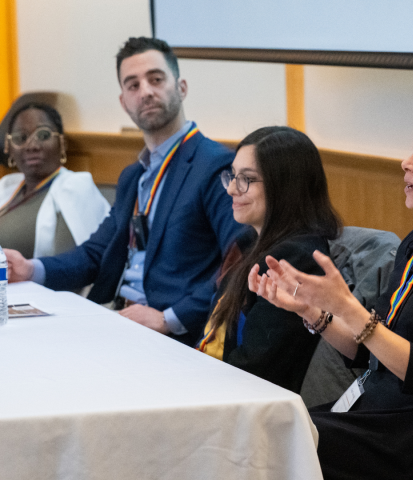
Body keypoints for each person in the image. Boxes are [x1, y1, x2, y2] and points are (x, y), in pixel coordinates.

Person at [249, 107, 413, 478]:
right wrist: (313, 311)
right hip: (371, 405)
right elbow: (367, 351)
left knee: (273, 442)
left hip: (411, 433)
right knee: (267, 424)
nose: (407, 163)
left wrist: (350, 309)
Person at [6, 37, 242, 346]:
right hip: (115, 319)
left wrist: (169, 318)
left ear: (181, 87)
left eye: (156, 79)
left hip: (174, 336)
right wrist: (30, 268)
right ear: (123, 102)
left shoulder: (215, 165)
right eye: (132, 85)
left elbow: (240, 261)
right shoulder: (134, 176)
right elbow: (95, 254)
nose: (145, 91)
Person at [197, 126, 342, 393]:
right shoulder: (250, 243)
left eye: (247, 179)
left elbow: (254, 368)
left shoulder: (294, 261)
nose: (231, 189)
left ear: (285, 186)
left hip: (244, 405)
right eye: (232, 176)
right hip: (215, 381)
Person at [0, 102, 110, 258]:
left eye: (43, 135)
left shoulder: (75, 188)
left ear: (62, 143)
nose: (32, 146)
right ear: (8, 148)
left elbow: (71, 270)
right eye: (21, 138)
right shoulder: (6, 187)